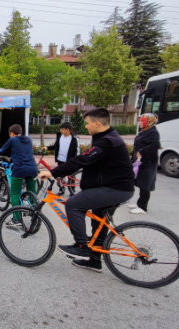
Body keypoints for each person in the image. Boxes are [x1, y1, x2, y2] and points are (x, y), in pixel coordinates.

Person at [38, 108, 134, 273]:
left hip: (116, 188)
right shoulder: (106, 137)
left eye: (88, 123)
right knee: (98, 221)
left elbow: (83, 159)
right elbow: (90, 161)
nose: (86, 126)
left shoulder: (107, 141)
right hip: (116, 187)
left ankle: (82, 246)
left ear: (97, 123)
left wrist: (53, 172)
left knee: (73, 204)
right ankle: (95, 261)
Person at [0, 124, 38, 225]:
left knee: (14, 193)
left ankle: (17, 219)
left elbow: (3, 149)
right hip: (33, 168)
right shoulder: (28, 139)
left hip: (20, 169)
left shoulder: (13, 140)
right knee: (32, 191)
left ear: (12, 133)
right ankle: (36, 215)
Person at [129, 113, 161, 215]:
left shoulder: (152, 132)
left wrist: (142, 151)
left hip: (148, 162)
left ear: (149, 121)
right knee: (139, 181)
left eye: (142, 121)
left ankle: (142, 207)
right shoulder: (145, 131)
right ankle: (139, 203)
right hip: (140, 162)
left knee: (145, 184)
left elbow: (155, 144)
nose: (140, 123)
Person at [42, 122, 81, 195]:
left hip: (70, 161)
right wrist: (47, 147)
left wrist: (75, 161)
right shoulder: (60, 136)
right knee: (60, 176)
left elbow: (77, 151)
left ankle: (72, 191)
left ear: (67, 130)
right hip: (60, 160)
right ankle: (61, 189)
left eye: (62, 129)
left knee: (71, 176)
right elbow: (55, 146)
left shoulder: (74, 138)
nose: (61, 130)